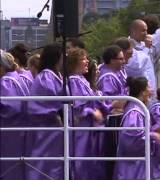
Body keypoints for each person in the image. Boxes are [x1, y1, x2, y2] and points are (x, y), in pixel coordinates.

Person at [114, 77, 160, 180]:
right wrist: (154, 135)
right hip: (133, 167)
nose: (151, 90)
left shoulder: (139, 108)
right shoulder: (134, 112)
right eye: (149, 87)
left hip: (139, 165)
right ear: (143, 91)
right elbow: (131, 139)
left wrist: (157, 131)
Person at [67, 47, 109, 180]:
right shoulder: (74, 80)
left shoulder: (81, 80)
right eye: (83, 59)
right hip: (82, 129)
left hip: (89, 129)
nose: (87, 62)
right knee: (82, 160)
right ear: (74, 63)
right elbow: (78, 106)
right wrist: (92, 111)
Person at [26, 43, 64, 180]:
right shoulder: (46, 77)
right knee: (44, 162)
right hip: (46, 129)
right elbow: (48, 102)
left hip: (55, 129)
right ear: (56, 57)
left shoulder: (56, 75)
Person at [0, 51, 29, 180]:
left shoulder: (7, 82)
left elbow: (10, 106)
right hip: (20, 129)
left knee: (9, 167)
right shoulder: (17, 77)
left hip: (10, 131)